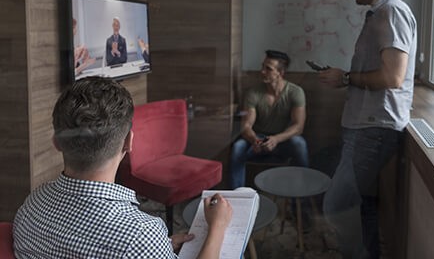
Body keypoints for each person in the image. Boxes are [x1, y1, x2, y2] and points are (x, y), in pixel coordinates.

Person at [13, 77, 232, 259]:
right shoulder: (140, 236)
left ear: (56, 142)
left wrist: (161, 249)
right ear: (129, 142)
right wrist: (217, 228)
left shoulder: (31, 205)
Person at [318, 0, 417, 258]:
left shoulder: (392, 13)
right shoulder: (378, 14)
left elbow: (392, 76)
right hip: (364, 126)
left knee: (336, 204)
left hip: (374, 128)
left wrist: (346, 78)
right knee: (363, 206)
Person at [229, 49, 309, 189]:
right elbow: (246, 125)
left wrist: (276, 139)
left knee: (299, 144)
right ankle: (236, 197)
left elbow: (298, 126)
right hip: (258, 141)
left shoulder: (295, 92)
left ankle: (302, 198)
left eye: (268, 68)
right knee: (238, 147)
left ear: (280, 72)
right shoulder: (253, 93)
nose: (262, 71)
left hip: (282, 141)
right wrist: (254, 140)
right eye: (262, 66)